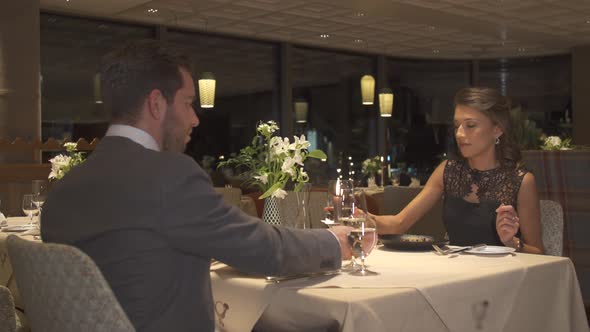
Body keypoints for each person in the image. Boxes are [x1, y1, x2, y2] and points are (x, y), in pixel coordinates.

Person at [41, 40, 352, 332]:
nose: (195, 119)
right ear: (156, 103)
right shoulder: (168, 176)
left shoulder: (62, 192)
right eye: (188, 103)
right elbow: (264, 249)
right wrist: (334, 242)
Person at [372, 87, 544, 254]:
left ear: (497, 129)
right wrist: (362, 219)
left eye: (470, 125)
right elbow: (399, 223)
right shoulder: (448, 171)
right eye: (456, 126)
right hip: (456, 275)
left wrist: (511, 242)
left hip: (502, 279)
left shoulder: (521, 181)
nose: (460, 134)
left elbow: (539, 253)